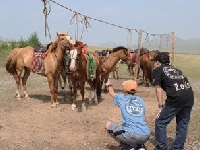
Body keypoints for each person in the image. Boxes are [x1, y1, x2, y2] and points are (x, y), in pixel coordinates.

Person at [151, 52, 194, 150]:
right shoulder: (176, 69)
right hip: (189, 97)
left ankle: (161, 147)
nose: (154, 64)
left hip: (176, 98)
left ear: (158, 62)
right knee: (183, 124)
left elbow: (158, 88)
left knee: (160, 122)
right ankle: (177, 148)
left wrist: (161, 107)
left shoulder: (157, 70)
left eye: (155, 62)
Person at [105, 79, 150, 150]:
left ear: (125, 90)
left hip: (130, 134)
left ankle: (127, 146)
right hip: (146, 134)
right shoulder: (140, 100)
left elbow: (112, 93)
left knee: (108, 124)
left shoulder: (121, 98)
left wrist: (109, 85)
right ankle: (140, 147)